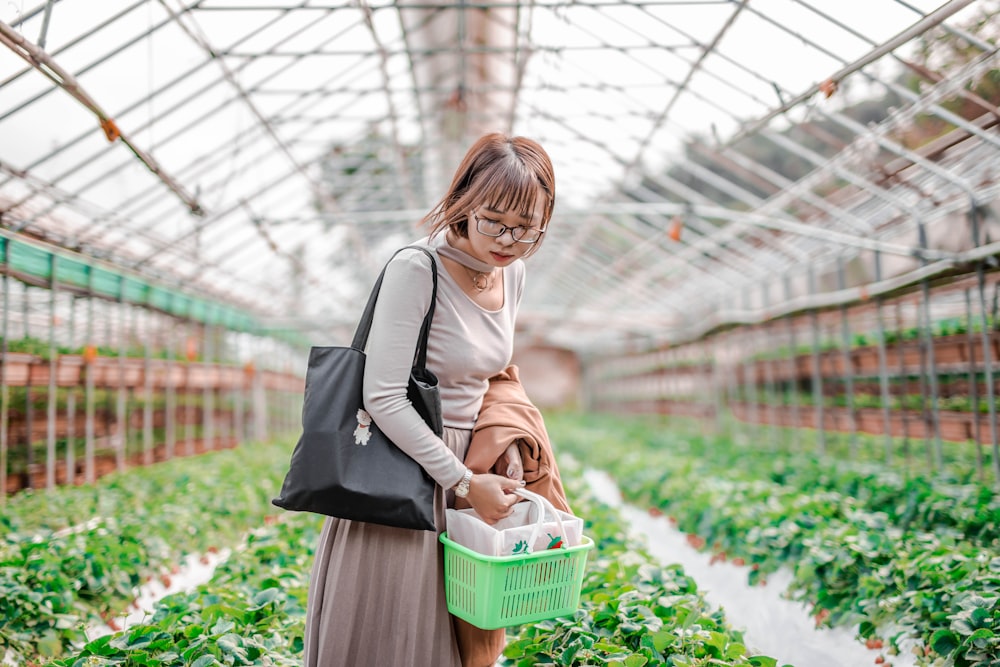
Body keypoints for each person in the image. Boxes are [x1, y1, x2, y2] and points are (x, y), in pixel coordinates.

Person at [303, 132, 557, 667]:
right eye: (493, 219)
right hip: (408, 468)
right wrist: (462, 481)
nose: (507, 239)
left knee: (457, 636)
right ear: (464, 201)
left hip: (472, 473)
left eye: (525, 228)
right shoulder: (417, 269)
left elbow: (491, 375)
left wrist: (502, 445)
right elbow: (385, 397)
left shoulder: (513, 273)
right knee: (395, 631)